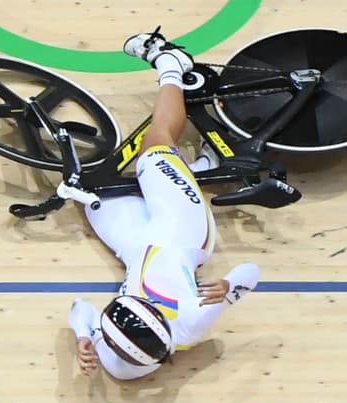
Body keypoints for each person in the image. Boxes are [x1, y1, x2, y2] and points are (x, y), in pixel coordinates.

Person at [62, 28, 261, 381]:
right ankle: (170, 63)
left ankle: (199, 169)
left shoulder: (119, 346)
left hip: (134, 246)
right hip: (182, 233)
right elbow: (251, 273)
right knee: (154, 147)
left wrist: (82, 338)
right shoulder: (190, 325)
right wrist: (230, 287)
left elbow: (81, 309)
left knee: (86, 193)